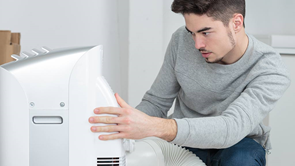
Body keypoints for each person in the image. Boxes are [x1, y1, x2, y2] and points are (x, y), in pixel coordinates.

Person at [88, 0, 291, 165]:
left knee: (241, 159)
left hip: (237, 145)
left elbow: (230, 128)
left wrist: (154, 127)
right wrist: (124, 126)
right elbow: (157, 103)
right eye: (191, 32)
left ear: (236, 23)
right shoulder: (180, 40)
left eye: (206, 32)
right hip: (183, 143)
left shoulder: (269, 68)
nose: (197, 44)